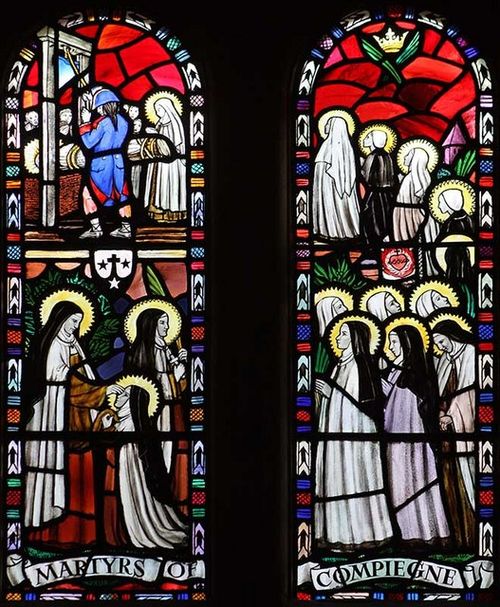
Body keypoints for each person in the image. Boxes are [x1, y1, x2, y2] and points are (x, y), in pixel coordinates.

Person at [24, 298, 108, 547]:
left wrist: (96, 392)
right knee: (54, 466)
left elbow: (85, 375)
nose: (75, 326)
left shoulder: (75, 344)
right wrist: (100, 392)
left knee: (83, 473)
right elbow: (63, 379)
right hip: (55, 414)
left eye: (79, 322)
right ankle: (50, 530)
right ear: (60, 320)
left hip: (79, 419)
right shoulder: (52, 344)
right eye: (72, 321)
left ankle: (86, 535)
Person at [315, 317, 393, 551]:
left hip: (355, 443)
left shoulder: (360, 366)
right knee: (336, 480)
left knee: (353, 480)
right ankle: (336, 535)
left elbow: (366, 411)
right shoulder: (339, 365)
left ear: (356, 339)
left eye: (344, 334)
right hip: (336, 438)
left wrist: (332, 393)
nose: (338, 338)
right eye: (339, 334)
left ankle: (361, 536)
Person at [382, 322, 450, 546]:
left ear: (407, 345)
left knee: (416, 482)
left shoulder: (417, 376)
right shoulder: (394, 372)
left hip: (415, 443)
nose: (389, 347)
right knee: (398, 486)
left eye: (393, 342)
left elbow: (422, 406)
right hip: (395, 440)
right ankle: (405, 533)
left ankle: (425, 533)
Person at [109, 380, 188, 548]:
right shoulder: (121, 421)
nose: (118, 397)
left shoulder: (134, 426)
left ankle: (145, 529)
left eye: (123, 394)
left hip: (132, 457)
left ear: (134, 402)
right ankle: (134, 529)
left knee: (140, 493)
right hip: (125, 455)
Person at [125, 306, 189, 511]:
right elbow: (145, 386)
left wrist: (181, 370)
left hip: (174, 409)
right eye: (162, 322)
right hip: (157, 414)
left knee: (177, 450)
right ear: (150, 325)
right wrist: (174, 374)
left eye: (167, 322)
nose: (166, 327)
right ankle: (160, 492)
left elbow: (178, 388)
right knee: (162, 452)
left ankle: (175, 492)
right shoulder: (142, 352)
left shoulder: (166, 349)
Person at [433, 318, 475, 549]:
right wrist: (440, 414)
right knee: (449, 483)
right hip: (446, 434)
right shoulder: (444, 361)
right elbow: (440, 394)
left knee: (467, 481)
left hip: (464, 430)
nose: (440, 347)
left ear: (452, 336)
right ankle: (458, 537)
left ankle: (473, 537)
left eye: (442, 341)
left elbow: (472, 393)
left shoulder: (472, 355)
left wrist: (452, 416)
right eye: (437, 343)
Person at [79, 88, 131, 238]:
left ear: (103, 106)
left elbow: (89, 143)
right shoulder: (124, 121)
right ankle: (126, 229)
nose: (99, 110)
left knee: (88, 193)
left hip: (101, 163)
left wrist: (85, 122)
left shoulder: (102, 123)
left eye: (99, 107)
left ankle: (96, 229)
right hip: (118, 162)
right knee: (122, 195)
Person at [313, 116, 360, 240]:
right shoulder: (347, 148)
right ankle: (334, 229)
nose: (325, 126)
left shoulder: (330, 147)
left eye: (328, 124)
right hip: (328, 187)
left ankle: (333, 230)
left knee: (335, 205)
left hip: (329, 187)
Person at [144, 97, 186, 222]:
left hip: (171, 164)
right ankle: (159, 213)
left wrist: (158, 137)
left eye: (159, 109)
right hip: (159, 162)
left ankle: (171, 213)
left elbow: (175, 145)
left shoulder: (174, 124)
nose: (157, 112)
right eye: (156, 109)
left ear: (166, 109)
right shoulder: (160, 123)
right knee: (159, 187)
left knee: (169, 186)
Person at [360, 128, 396, 245]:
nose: (365, 139)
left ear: (375, 140)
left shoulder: (372, 156)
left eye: (369, 137)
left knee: (373, 221)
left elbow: (366, 177)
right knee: (386, 220)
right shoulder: (387, 156)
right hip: (388, 196)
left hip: (375, 196)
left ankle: (374, 246)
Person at [393, 147, 431, 241]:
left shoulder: (409, 179)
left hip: (407, 217)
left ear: (415, 159)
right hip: (416, 216)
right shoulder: (426, 177)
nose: (405, 157)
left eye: (408, 155)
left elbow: (403, 201)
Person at [437, 189, 474, 281]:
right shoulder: (467, 219)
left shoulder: (453, 222)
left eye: (441, 202)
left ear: (449, 204)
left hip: (456, 262)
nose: (438, 205)